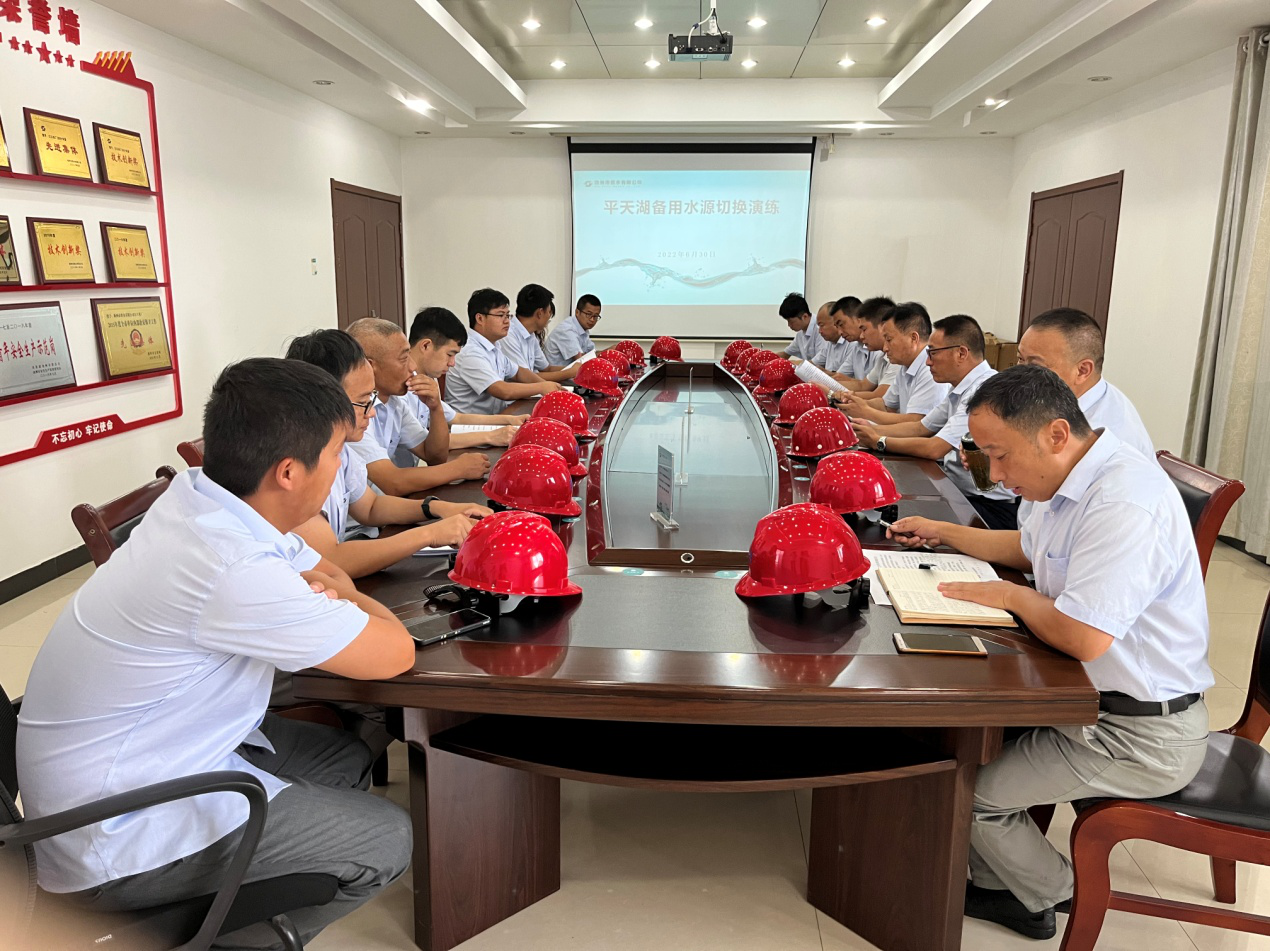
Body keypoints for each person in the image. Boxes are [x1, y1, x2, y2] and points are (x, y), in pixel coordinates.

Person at [15, 358, 416, 948]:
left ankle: (268, 878)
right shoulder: (231, 564)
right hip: (112, 834)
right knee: (388, 837)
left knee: (343, 758)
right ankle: (240, 937)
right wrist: (350, 596)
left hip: (151, 756)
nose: (342, 466)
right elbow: (395, 652)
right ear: (288, 471)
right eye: (336, 453)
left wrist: (336, 588)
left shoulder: (201, 498)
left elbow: (320, 567)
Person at [886, 365, 1212, 941]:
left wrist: (1010, 596)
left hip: (1137, 733)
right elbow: (1029, 548)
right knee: (965, 741)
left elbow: (1083, 637)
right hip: (1088, 701)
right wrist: (944, 533)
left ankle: (1056, 895)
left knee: (975, 796)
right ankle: (996, 884)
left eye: (1000, 456)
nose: (995, 474)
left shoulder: (1123, 501)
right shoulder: (1066, 480)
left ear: (1056, 434)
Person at [285, 328, 489, 578]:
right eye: (363, 402)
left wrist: (436, 508)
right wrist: (429, 534)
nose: (371, 412)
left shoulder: (340, 449)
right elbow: (331, 560)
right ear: (322, 402)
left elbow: (370, 507)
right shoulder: (296, 463)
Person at [853, 314, 1021, 530]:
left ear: (961, 353)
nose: (928, 361)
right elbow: (921, 427)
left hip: (987, 507)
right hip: (956, 488)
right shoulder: (959, 387)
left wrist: (879, 441)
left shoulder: (985, 390)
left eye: (933, 353)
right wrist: (869, 430)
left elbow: (935, 448)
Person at [344, 317, 490, 502]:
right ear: (370, 366)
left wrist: (435, 408)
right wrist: (459, 468)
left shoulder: (395, 403)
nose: (413, 367)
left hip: (383, 506)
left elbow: (434, 456)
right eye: (404, 359)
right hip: (363, 516)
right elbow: (392, 482)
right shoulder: (354, 411)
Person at [1018, 308, 1153, 457]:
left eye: (1035, 366)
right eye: (1020, 359)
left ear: (1082, 371)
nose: (1019, 374)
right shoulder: (1057, 400)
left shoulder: (1101, 438)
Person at [404, 306, 527, 455]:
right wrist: (492, 436)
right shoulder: (400, 386)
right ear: (425, 346)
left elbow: (456, 418)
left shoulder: (428, 377)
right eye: (450, 354)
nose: (452, 363)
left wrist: (509, 420)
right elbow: (428, 443)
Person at [446, 287, 564, 414]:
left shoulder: (494, 347)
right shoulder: (469, 352)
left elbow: (518, 372)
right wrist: (541, 387)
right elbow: (503, 391)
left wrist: (550, 388)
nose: (507, 321)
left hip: (495, 417)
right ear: (480, 318)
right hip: (472, 424)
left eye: (508, 315)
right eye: (500, 315)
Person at [837, 302, 948, 422]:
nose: (885, 348)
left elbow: (916, 423)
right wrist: (857, 402)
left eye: (889, 340)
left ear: (913, 338)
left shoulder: (930, 370)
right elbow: (886, 405)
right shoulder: (906, 365)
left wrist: (865, 412)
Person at [500, 283, 580, 383]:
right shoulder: (508, 334)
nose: (549, 317)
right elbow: (525, 378)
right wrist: (570, 372)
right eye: (549, 312)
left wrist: (575, 368)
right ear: (540, 313)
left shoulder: (530, 335)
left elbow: (547, 369)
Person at [835, 296, 898, 399]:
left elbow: (878, 397)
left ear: (882, 327)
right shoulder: (883, 356)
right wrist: (826, 385)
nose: (861, 336)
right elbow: (863, 385)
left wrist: (834, 394)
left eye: (864, 329)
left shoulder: (897, 358)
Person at [545, 293, 600, 365]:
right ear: (577, 312)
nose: (592, 319)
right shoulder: (567, 330)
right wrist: (606, 353)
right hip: (557, 371)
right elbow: (581, 360)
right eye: (588, 314)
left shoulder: (583, 329)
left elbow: (591, 353)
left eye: (595, 316)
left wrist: (609, 351)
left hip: (569, 371)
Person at [779, 292, 824, 363]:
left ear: (804, 316)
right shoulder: (800, 333)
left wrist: (793, 363)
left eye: (791, 321)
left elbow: (820, 362)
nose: (789, 325)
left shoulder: (820, 329)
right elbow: (785, 354)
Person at [823, 296, 861, 374]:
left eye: (841, 324)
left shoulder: (877, 350)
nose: (839, 332)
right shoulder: (857, 347)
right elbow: (840, 376)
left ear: (857, 318)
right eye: (837, 327)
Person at [811, 300, 847, 372]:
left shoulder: (851, 343)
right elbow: (812, 363)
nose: (819, 331)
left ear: (835, 322)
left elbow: (841, 376)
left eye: (822, 325)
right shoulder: (830, 343)